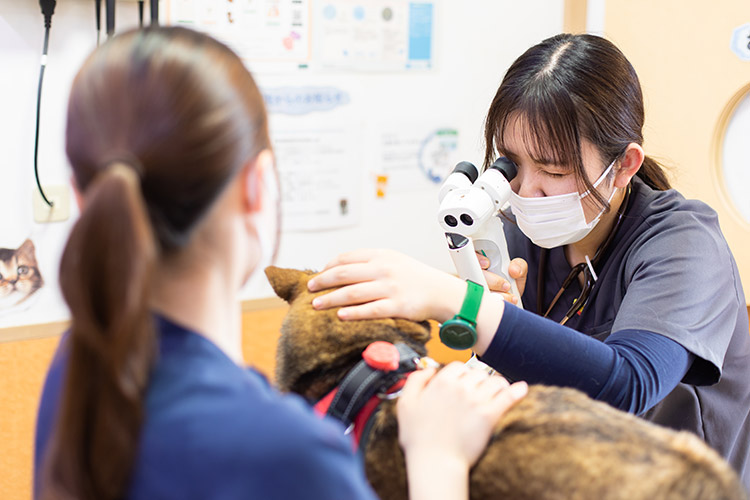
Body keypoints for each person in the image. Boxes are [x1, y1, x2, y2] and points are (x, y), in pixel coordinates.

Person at [33, 27, 529, 500]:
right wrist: (438, 457)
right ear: (258, 186)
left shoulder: (81, 371)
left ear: (81, 195)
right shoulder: (289, 454)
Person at [308, 33, 750, 489]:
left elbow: (627, 385)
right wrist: (506, 334)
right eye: (513, 165)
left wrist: (458, 301)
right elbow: (556, 378)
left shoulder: (685, 244)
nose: (526, 192)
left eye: (554, 171)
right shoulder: (530, 226)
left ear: (624, 165)